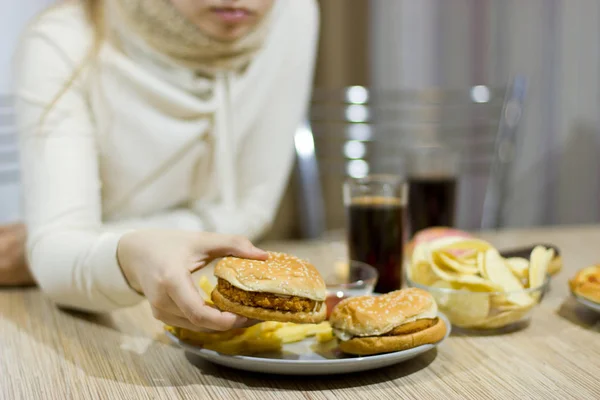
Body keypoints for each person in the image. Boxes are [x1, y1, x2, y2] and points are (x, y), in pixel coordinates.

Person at [6, 0, 318, 332]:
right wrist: (115, 255)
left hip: (145, 281)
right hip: (96, 316)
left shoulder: (292, 14)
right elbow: (57, 263)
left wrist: (92, 244)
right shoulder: (63, 40)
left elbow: (252, 210)